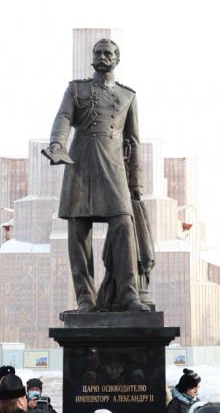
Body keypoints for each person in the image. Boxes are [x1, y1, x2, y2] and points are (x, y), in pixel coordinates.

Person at [45, 38, 151, 313]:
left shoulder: (128, 96)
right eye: (98, 53)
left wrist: (136, 183)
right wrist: (56, 144)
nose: (102, 57)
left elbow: (133, 142)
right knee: (78, 231)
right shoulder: (76, 89)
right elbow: (63, 118)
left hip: (114, 168)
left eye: (108, 53)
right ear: (92, 58)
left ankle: (128, 295)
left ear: (117, 59)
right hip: (79, 165)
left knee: (123, 224)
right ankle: (85, 299)